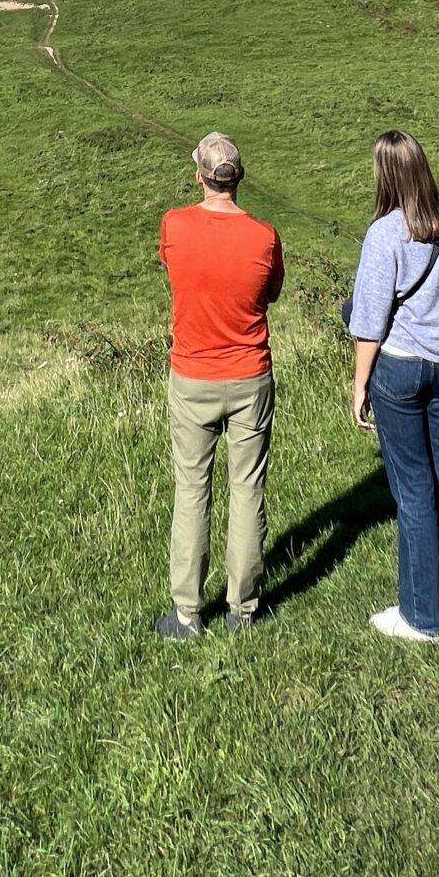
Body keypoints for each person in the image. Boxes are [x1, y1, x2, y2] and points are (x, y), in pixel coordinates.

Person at [347, 129, 439, 643]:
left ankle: (421, 617)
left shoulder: (386, 234)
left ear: (385, 175)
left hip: (400, 369)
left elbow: (369, 319)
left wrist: (360, 384)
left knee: (413, 490)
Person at [156, 132, 284, 639]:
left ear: (200, 177)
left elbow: (172, 269)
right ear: (239, 179)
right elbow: (271, 293)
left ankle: (188, 613)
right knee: (247, 488)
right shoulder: (264, 236)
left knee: (192, 490)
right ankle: (243, 609)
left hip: (193, 376)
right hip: (250, 374)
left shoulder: (175, 225)